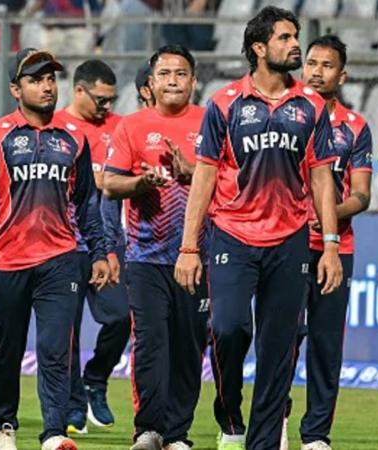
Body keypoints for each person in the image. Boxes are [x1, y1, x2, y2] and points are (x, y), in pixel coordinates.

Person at [173, 6, 342, 450]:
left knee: (279, 348)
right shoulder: (224, 103)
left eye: (295, 36)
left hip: (290, 239)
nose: (295, 44)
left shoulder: (311, 105)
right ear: (259, 48)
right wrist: (189, 247)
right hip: (232, 235)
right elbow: (205, 176)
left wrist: (329, 245)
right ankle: (230, 417)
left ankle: (263, 442)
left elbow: (322, 177)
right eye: (285, 37)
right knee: (229, 330)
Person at [0, 48, 110, 450]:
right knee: (5, 352)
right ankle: (3, 428)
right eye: (36, 80)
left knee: (55, 350)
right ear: (15, 89)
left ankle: (54, 432)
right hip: (7, 260)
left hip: (61, 259)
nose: (46, 87)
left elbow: (87, 202)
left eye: (50, 79)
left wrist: (99, 252)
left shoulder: (75, 137)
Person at [103, 44, 209, 450]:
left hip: (198, 256)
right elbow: (110, 183)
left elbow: (235, 180)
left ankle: (178, 434)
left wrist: (193, 172)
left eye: (181, 73)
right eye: (164, 74)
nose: (173, 81)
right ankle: (148, 429)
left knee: (189, 346)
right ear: (150, 83)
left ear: (193, 81)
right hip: (146, 257)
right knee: (149, 344)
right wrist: (141, 183)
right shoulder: (131, 126)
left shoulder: (211, 122)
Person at [278, 34, 372, 450]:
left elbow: (362, 196)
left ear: (342, 75)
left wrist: (329, 213)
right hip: (288, 242)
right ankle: (275, 420)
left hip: (337, 248)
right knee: (283, 338)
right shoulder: (285, 117)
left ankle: (315, 434)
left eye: (327, 65)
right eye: (311, 63)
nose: (316, 72)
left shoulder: (356, 127)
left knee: (326, 342)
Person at [52, 59, 130, 435]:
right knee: (66, 331)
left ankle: (95, 379)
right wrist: (92, 178)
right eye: (100, 99)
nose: (107, 106)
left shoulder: (121, 128)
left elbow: (125, 182)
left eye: (111, 99)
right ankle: (73, 406)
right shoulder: (54, 128)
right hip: (63, 244)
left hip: (109, 244)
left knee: (121, 317)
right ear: (78, 90)